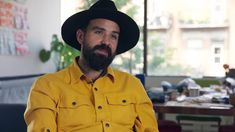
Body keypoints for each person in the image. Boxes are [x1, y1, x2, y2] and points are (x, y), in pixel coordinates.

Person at [24, 0, 159, 132]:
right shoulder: (46, 86)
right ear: (81, 36)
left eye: (113, 36)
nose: (106, 42)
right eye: (99, 32)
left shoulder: (133, 85)